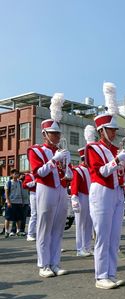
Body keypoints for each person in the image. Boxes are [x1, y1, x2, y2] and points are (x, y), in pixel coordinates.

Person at [85, 82, 125, 289]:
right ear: (101, 130)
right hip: (101, 191)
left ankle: (111, 272)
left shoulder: (115, 148)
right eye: (111, 130)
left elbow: (119, 173)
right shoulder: (92, 148)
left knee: (114, 235)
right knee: (103, 234)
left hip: (117, 191)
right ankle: (101, 275)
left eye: (115, 129)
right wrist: (116, 161)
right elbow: (100, 172)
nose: (114, 133)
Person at [27, 92, 72, 278]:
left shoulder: (61, 151)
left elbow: (66, 174)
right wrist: (54, 160)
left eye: (58, 133)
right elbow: (39, 173)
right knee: (44, 227)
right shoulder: (35, 150)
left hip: (61, 189)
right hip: (45, 188)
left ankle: (55, 262)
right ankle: (43, 264)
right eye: (53, 133)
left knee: (58, 227)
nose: (56, 136)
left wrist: (68, 170)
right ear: (45, 134)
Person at [71, 146, 93, 257]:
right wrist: (74, 198)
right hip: (81, 197)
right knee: (80, 224)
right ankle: (79, 249)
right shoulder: (78, 170)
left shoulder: (90, 169)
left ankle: (87, 247)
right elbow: (74, 185)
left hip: (90, 197)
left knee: (89, 223)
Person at [3, 169, 24, 237]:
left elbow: (21, 192)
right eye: (15, 173)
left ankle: (18, 231)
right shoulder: (8, 182)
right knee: (8, 218)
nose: (17, 175)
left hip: (19, 202)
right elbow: (6, 193)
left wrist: (22, 201)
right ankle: (6, 231)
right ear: (12, 175)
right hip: (11, 203)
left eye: (17, 173)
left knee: (19, 218)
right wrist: (8, 202)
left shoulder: (20, 182)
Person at [22, 172, 37, 241]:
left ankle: (39, 233)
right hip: (34, 194)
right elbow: (24, 185)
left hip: (44, 194)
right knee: (34, 214)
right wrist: (35, 182)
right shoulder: (30, 175)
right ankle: (30, 234)